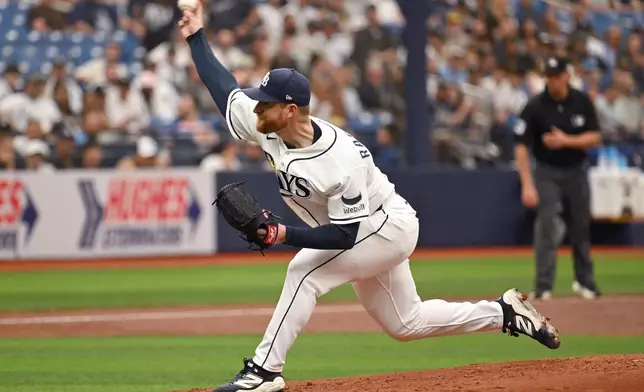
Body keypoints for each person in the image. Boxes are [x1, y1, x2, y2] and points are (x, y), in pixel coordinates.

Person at [180, 3, 561, 391]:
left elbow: (344, 236)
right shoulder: (268, 124)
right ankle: (504, 313)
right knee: (405, 323)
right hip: (360, 230)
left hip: (385, 227)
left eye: (265, 101)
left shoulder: (339, 159)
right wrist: (196, 36)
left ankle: (263, 373)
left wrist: (281, 234)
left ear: (290, 110)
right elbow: (225, 90)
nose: (256, 106)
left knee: (303, 272)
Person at [514, 57, 603, 301]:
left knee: (580, 226)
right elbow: (520, 146)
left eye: (556, 75)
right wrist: (527, 183)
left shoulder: (581, 101)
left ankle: (585, 282)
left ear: (567, 75)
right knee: (547, 225)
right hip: (546, 171)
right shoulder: (535, 105)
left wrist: (566, 141)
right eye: (549, 76)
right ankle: (543, 285)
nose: (552, 81)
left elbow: (595, 136)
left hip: (576, 169)